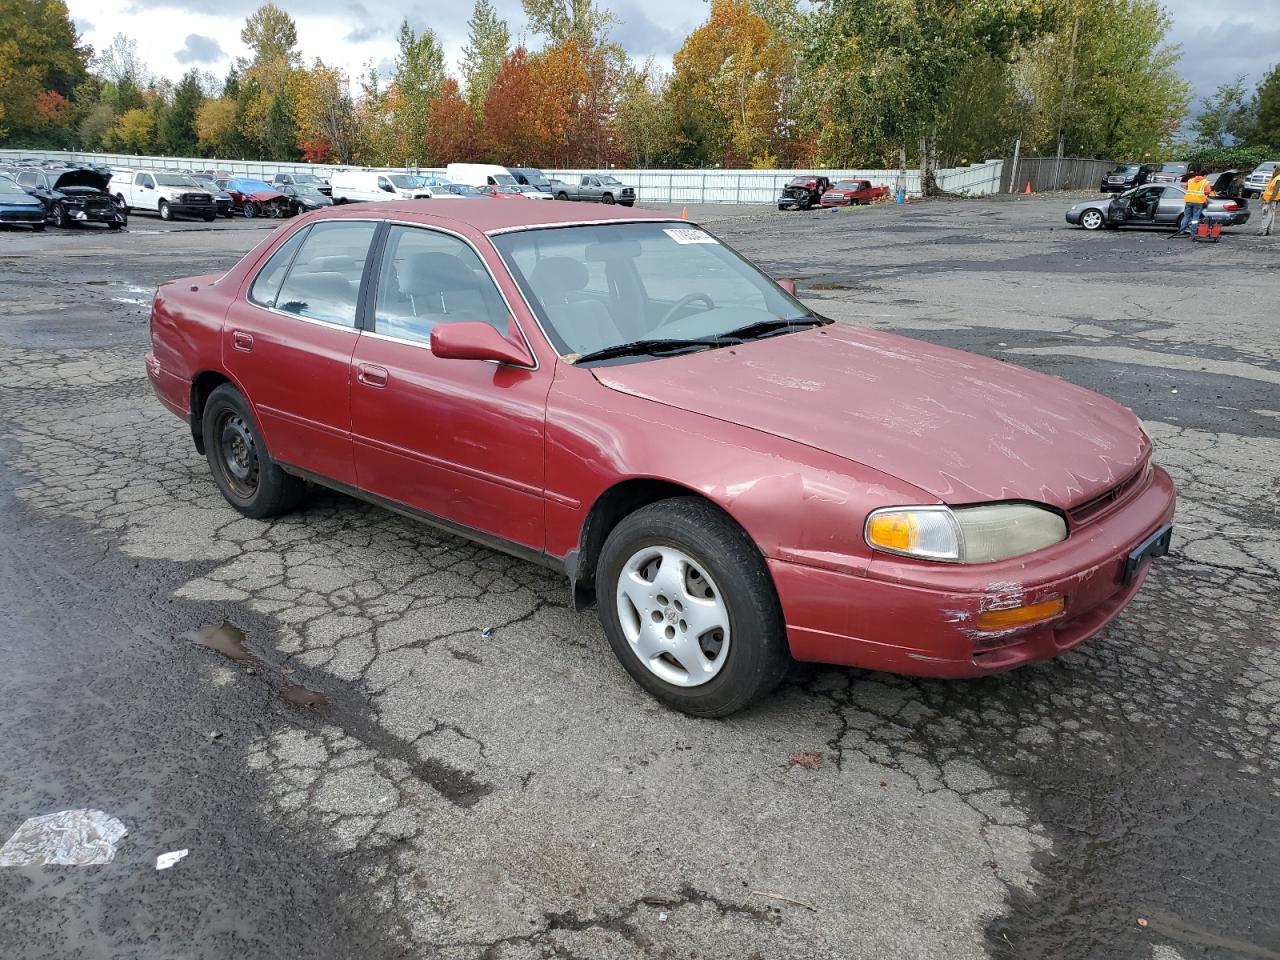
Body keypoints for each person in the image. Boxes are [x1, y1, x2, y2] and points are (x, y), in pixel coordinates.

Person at [1170, 169, 1213, 238]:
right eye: (1206, 176)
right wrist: (1202, 193)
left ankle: (1182, 231)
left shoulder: (1190, 180)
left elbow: (1186, 187)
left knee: (1186, 216)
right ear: (1204, 175)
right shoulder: (1205, 182)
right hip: (1198, 202)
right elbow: (1208, 191)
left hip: (1189, 201)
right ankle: (1193, 232)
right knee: (1195, 218)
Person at [1258, 166, 1280, 237]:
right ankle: (1269, 230)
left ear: (1277, 169)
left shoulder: (1278, 178)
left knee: (1266, 215)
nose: (1272, 170)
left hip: (1270, 199)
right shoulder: (1275, 177)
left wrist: (1269, 200)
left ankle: (1263, 231)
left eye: (1274, 168)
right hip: (1270, 199)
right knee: (1271, 215)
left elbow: (1275, 191)